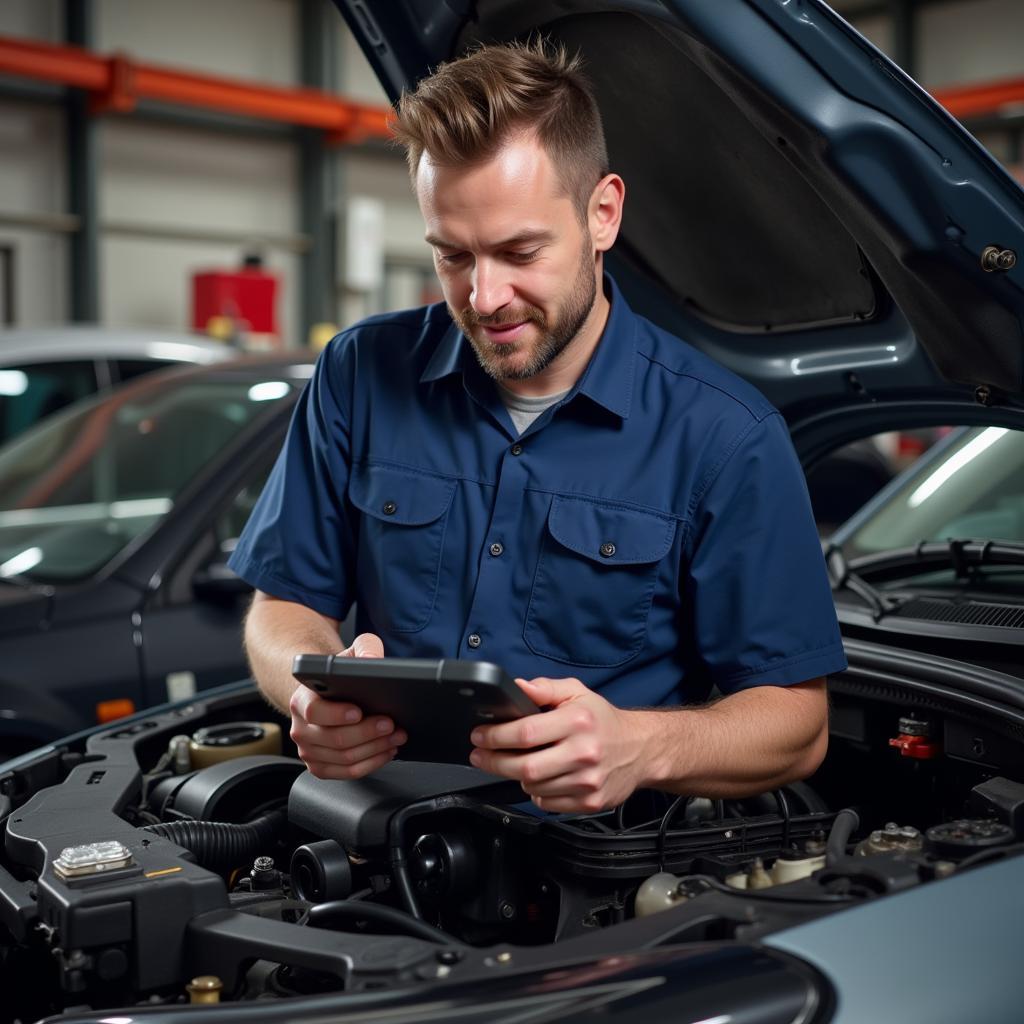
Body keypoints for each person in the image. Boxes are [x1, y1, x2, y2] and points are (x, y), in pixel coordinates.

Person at [228, 40, 847, 814]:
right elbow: (281, 607)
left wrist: (641, 745)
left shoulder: (724, 435)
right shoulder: (360, 372)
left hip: (599, 882)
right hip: (375, 844)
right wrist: (308, 692)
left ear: (602, 213)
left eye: (519, 251)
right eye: (452, 255)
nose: (484, 296)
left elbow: (797, 723)